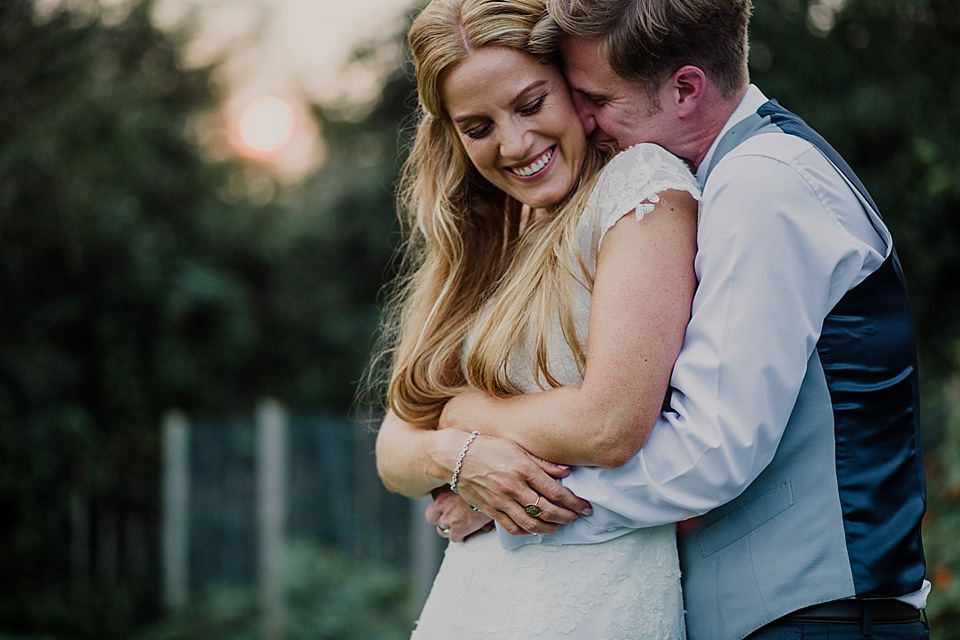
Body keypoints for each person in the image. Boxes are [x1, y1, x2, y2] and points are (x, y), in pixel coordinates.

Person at [433, 0, 931, 638]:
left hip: (817, 620)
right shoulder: (733, 179)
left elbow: (710, 448)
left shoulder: (764, 183)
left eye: (595, 97)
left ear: (685, 88)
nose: (581, 120)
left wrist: (518, 497)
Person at [371, 0, 701, 635]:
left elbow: (610, 424)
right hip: (473, 598)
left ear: (572, 85)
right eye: (478, 127)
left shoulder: (637, 189)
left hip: (591, 594)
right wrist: (462, 458)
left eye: (530, 104)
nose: (514, 144)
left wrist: (466, 418)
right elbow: (393, 451)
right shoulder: (485, 237)